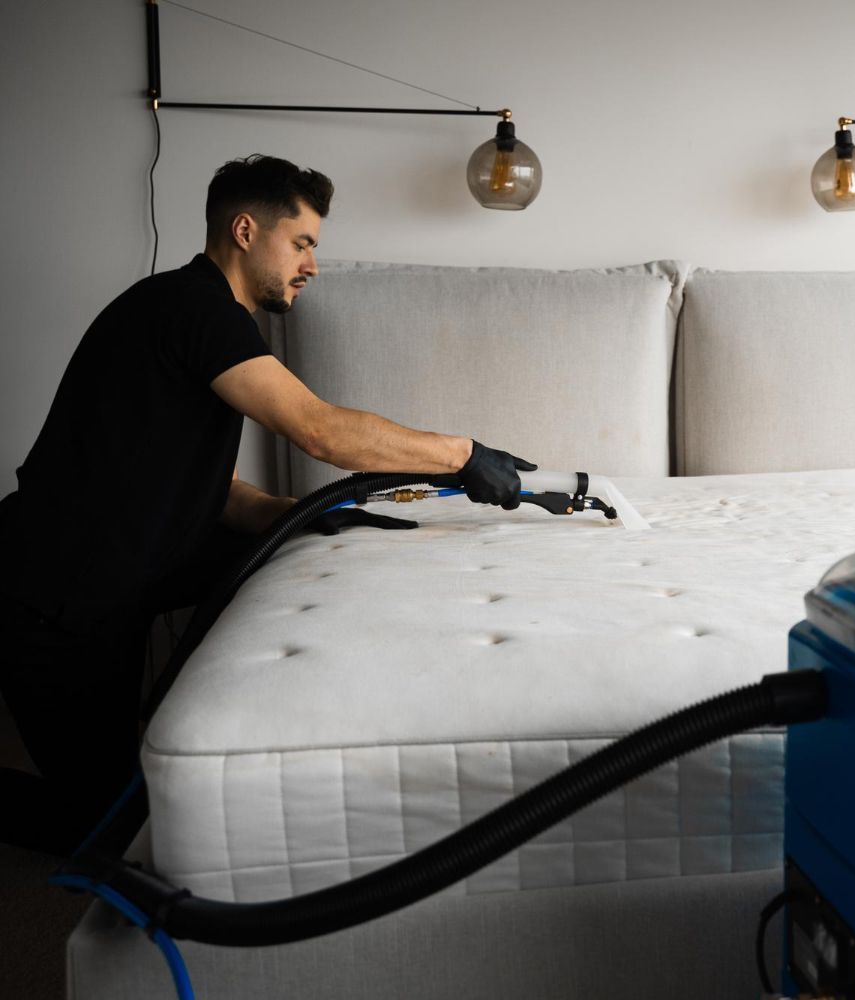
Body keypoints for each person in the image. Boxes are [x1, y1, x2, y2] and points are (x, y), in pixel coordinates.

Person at [0, 154, 533, 856]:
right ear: (246, 230)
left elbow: (206, 489)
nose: (312, 264)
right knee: (113, 832)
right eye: (303, 242)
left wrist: (294, 515)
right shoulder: (199, 311)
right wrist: (461, 454)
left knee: (134, 799)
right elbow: (319, 428)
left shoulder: (192, 313)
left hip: (118, 573)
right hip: (53, 596)